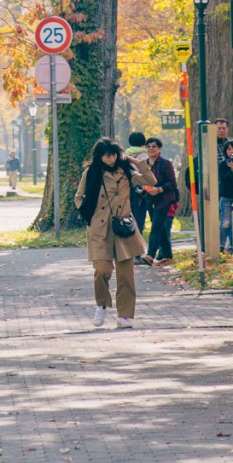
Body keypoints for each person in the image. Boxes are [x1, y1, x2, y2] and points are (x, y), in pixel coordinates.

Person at [77, 138, 151, 328]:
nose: (111, 159)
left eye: (114, 155)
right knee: (102, 269)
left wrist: (136, 162)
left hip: (123, 226)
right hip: (100, 228)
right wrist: (91, 217)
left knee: (126, 274)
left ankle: (125, 315)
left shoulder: (126, 171)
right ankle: (102, 305)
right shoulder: (91, 173)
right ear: (99, 156)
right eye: (107, 155)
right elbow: (79, 197)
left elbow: (151, 181)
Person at [141, 135, 179, 263]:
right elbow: (141, 179)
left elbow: (172, 182)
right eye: (149, 147)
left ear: (159, 149)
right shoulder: (144, 164)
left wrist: (159, 189)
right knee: (161, 227)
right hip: (150, 199)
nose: (151, 149)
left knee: (156, 227)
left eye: (154, 146)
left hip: (164, 199)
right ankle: (168, 254)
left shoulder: (165, 164)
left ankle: (150, 255)